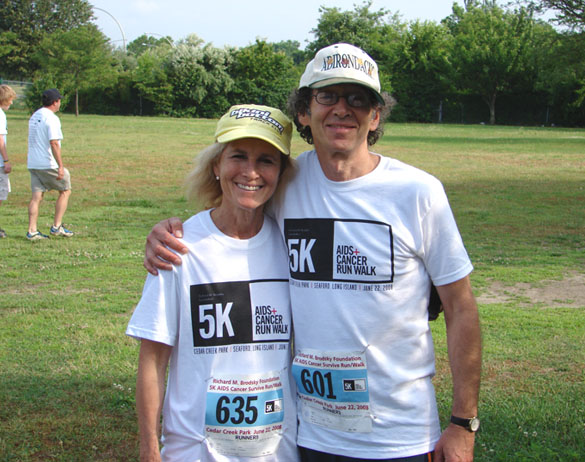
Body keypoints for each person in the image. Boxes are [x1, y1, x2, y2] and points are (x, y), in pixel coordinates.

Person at [145, 43, 482, 462]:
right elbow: (235, 205)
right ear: (304, 111)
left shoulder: (417, 192)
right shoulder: (286, 180)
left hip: (401, 437)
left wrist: (463, 423)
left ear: (375, 116)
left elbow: (461, 308)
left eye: (358, 99)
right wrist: (170, 232)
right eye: (327, 96)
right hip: (311, 436)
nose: (342, 108)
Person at [127, 104, 300, 462]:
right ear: (216, 165)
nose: (251, 172)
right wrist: (149, 449)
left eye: (267, 160)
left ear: (281, 172)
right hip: (193, 452)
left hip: (278, 453)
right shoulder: (178, 247)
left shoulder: (292, 247)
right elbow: (153, 360)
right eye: (238, 156)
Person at [26, 88, 74, 240]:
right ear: (55, 102)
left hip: (33, 162)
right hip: (47, 163)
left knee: (36, 197)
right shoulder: (52, 118)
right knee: (65, 190)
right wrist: (60, 165)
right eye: (59, 100)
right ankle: (57, 227)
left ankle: (32, 230)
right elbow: (54, 143)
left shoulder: (35, 116)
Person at [0, 84, 17, 238]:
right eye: (10, 99)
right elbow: (0, 139)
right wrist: (6, 160)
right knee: (0, 194)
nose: (11, 103)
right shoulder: (0, 115)